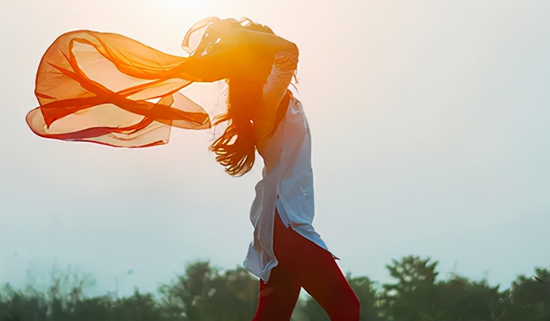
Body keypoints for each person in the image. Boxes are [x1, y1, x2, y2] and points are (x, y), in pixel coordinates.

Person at [26, 17, 360, 321]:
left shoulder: (267, 99)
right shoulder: (267, 99)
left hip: (279, 225)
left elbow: (282, 52)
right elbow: (288, 50)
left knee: (272, 317)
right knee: (346, 308)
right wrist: (238, 36)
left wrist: (240, 38)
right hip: (286, 223)